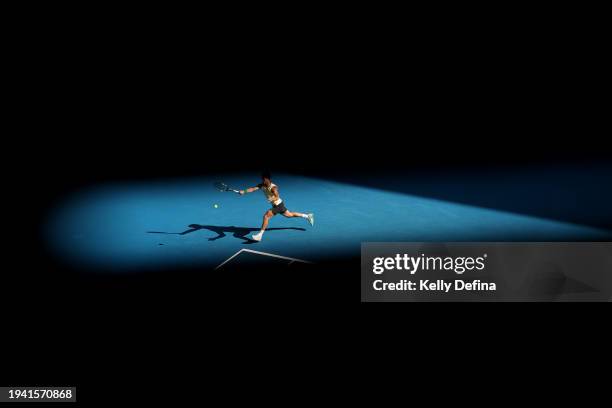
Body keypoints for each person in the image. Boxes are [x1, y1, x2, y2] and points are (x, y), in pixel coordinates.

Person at [240, 172, 314, 242]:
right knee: (289, 215)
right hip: (280, 205)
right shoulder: (262, 185)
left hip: (278, 205)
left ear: (267, 179)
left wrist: (272, 199)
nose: (262, 181)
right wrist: (244, 191)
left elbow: (277, 196)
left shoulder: (273, 187)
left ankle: (260, 235)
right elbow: (253, 189)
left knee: (266, 216)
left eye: (263, 179)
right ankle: (307, 216)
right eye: (262, 179)